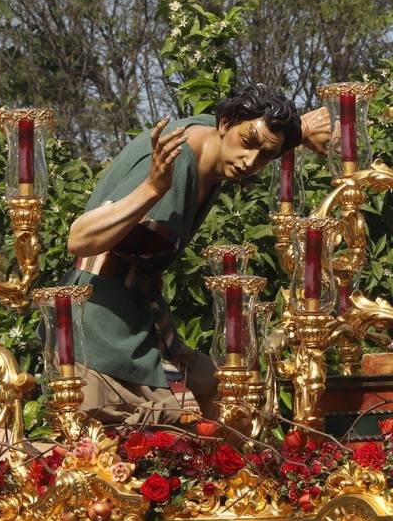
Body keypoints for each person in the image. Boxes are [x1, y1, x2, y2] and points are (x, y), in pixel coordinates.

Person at [64, 84, 325, 425]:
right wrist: (152, 189)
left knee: (232, 396)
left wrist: (299, 130)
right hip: (97, 332)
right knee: (163, 438)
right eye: (247, 143)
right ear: (225, 122)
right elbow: (79, 239)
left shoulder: (216, 143)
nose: (250, 161)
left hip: (142, 323)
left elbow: (261, 130)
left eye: (265, 156)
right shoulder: (173, 154)